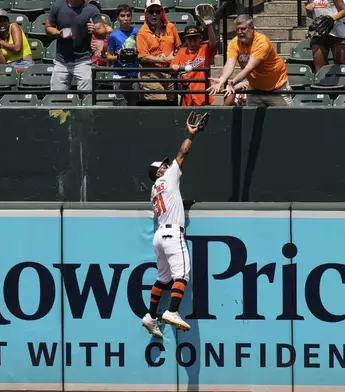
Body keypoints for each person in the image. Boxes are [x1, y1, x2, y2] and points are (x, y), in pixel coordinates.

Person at [141, 111, 209, 338]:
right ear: (158, 171)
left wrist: (185, 202)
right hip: (172, 235)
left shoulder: (154, 190)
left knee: (163, 278)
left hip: (159, 236)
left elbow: (171, 202)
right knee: (182, 276)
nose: (167, 166)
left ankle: (150, 316)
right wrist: (191, 135)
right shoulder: (167, 177)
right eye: (163, 166)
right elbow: (183, 153)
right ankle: (172, 311)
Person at [207, 15, 292, 107]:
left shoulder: (262, 42)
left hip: (277, 88)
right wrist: (222, 79)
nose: (240, 32)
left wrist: (232, 82)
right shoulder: (234, 43)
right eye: (237, 29)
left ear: (252, 29)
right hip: (255, 89)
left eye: (243, 29)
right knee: (251, 119)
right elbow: (229, 64)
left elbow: (248, 68)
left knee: (284, 119)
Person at [45, 0, 109, 92]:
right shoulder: (58, 6)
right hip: (61, 61)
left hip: (83, 60)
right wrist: (59, 33)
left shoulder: (91, 9)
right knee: (57, 98)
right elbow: (48, 27)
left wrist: (95, 30)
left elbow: (103, 32)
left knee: (86, 97)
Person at [136, 0, 181, 102]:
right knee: (160, 103)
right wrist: (165, 60)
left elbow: (178, 47)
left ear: (162, 12)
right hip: (150, 74)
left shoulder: (170, 27)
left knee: (172, 104)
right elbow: (143, 56)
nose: (154, 14)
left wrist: (175, 57)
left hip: (170, 72)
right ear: (146, 13)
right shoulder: (142, 33)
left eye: (157, 11)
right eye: (151, 11)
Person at [171, 25, 217, 106]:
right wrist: (175, 68)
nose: (192, 42)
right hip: (186, 94)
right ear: (185, 39)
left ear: (200, 38)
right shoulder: (181, 52)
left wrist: (209, 26)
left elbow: (213, 44)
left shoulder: (205, 49)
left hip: (202, 94)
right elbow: (173, 66)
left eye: (195, 38)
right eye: (189, 39)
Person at [106, 4, 140, 106]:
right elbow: (109, 56)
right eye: (122, 16)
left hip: (134, 75)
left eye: (128, 15)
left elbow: (142, 52)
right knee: (121, 107)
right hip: (119, 76)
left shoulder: (138, 32)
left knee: (135, 107)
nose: (126, 18)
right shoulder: (113, 35)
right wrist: (120, 57)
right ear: (117, 17)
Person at [305, 0, 345, 73]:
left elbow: (344, 10)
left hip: (337, 32)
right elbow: (311, 14)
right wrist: (308, 10)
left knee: (340, 66)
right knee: (320, 69)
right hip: (319, 32)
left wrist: (332, 19)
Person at [89, 0, 114, 67]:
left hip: (104, 66)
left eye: (95, 9)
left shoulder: (108, 30)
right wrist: (88, 46)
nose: (92, 12)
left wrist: (102, 52)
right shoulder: (82, 29)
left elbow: (112, 56)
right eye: (90, 9)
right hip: (87, 66)